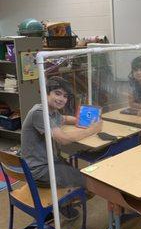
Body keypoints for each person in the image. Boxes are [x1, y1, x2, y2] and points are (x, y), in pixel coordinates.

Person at [21, 76, 103, 219]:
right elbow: (63, 140)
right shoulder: (39, 113)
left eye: (65, 96)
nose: (62, 99)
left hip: (49, 162)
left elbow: (64, 118)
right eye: (57, 93)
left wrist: (83, 121)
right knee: (91, 183)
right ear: (47, 93)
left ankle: (63, 203)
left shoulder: (52, 112)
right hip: (40, 170)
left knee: (80, 176)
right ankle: (60, 203)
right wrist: (91, 130)